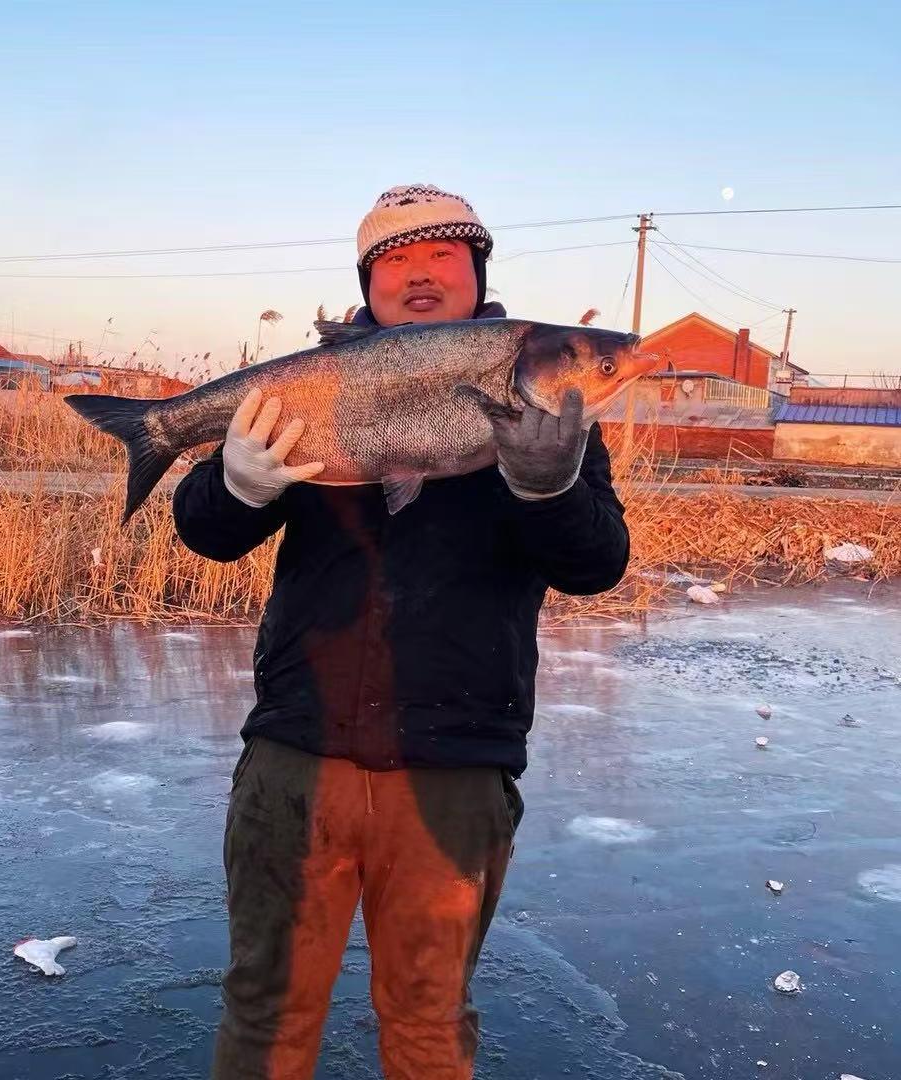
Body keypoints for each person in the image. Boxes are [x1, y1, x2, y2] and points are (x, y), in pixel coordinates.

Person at [172, 184, 631, 1079]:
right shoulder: (312, 380)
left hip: (454, 768)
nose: (419, 274)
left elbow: (596, 563)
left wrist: (548, 485)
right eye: (396, 259)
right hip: (297, 756)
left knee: (428, 1023)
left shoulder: (551, 413)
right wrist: (235, 484)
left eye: (442, 256)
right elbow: (206, 534)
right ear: (369, 283)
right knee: (265, 1014)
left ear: (477, 274)